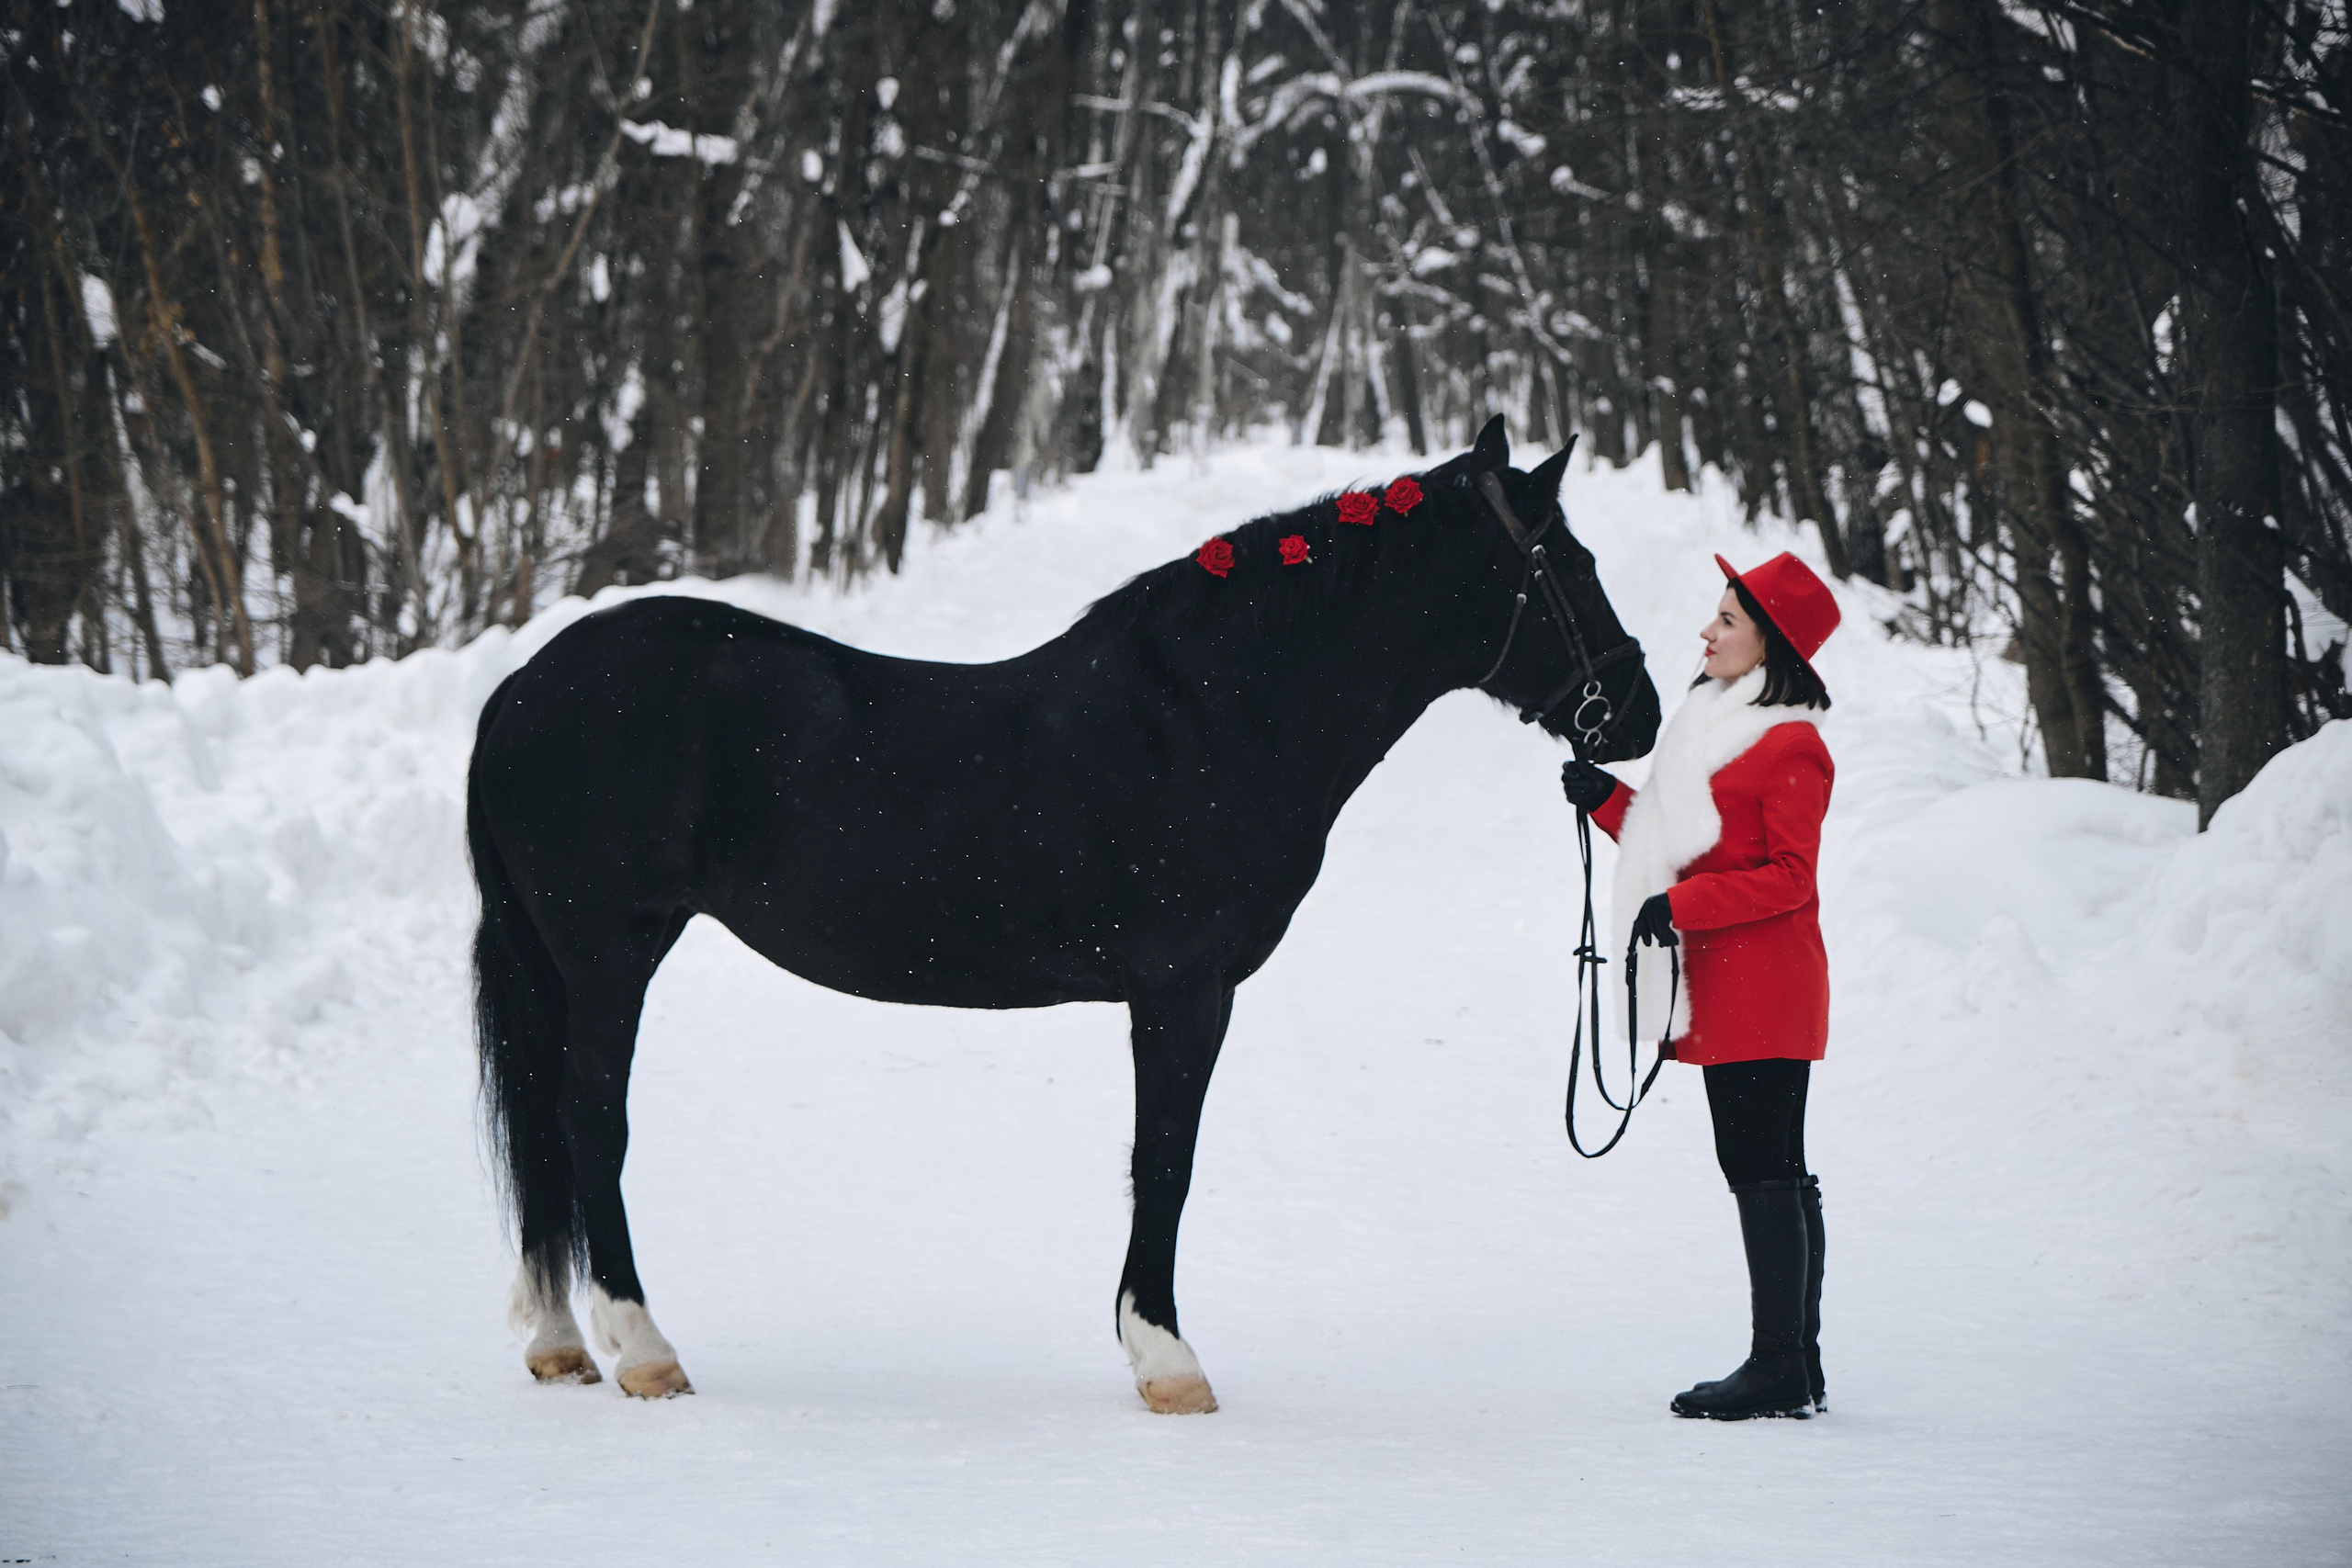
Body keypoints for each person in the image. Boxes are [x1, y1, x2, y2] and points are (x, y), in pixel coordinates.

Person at [1559, 551, 1840, 1420]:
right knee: (1771, 1167)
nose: (1706, 632)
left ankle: (1780, 1364)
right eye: (1714, 616)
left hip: (1768, 988)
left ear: (1771, 643)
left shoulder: (1792, 743)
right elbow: (1684, 843)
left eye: (1727, 619)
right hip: (1726, 983)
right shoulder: (1713, 719)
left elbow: (1791, 877)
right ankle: (1797, 1362)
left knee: (1764, 1166)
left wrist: (1680, 902)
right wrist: (1609, 801)